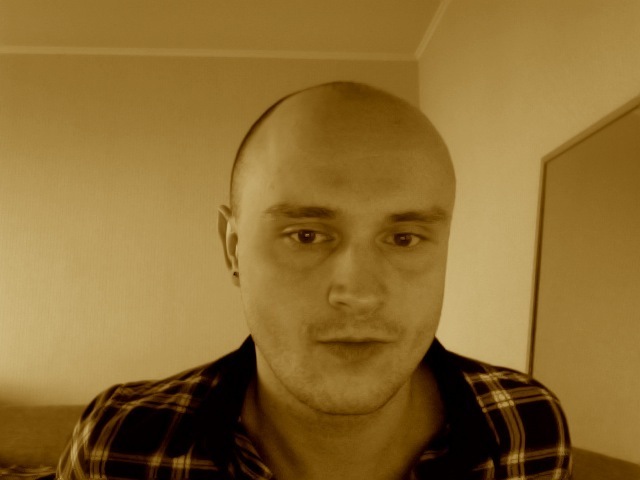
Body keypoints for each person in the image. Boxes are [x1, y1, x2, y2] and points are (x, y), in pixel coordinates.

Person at [57, 81, 572, 479]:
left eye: (404, 238)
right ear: (233, 248)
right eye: (306, 235)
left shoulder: (527, 427)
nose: (359, 294)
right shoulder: (121, 445)